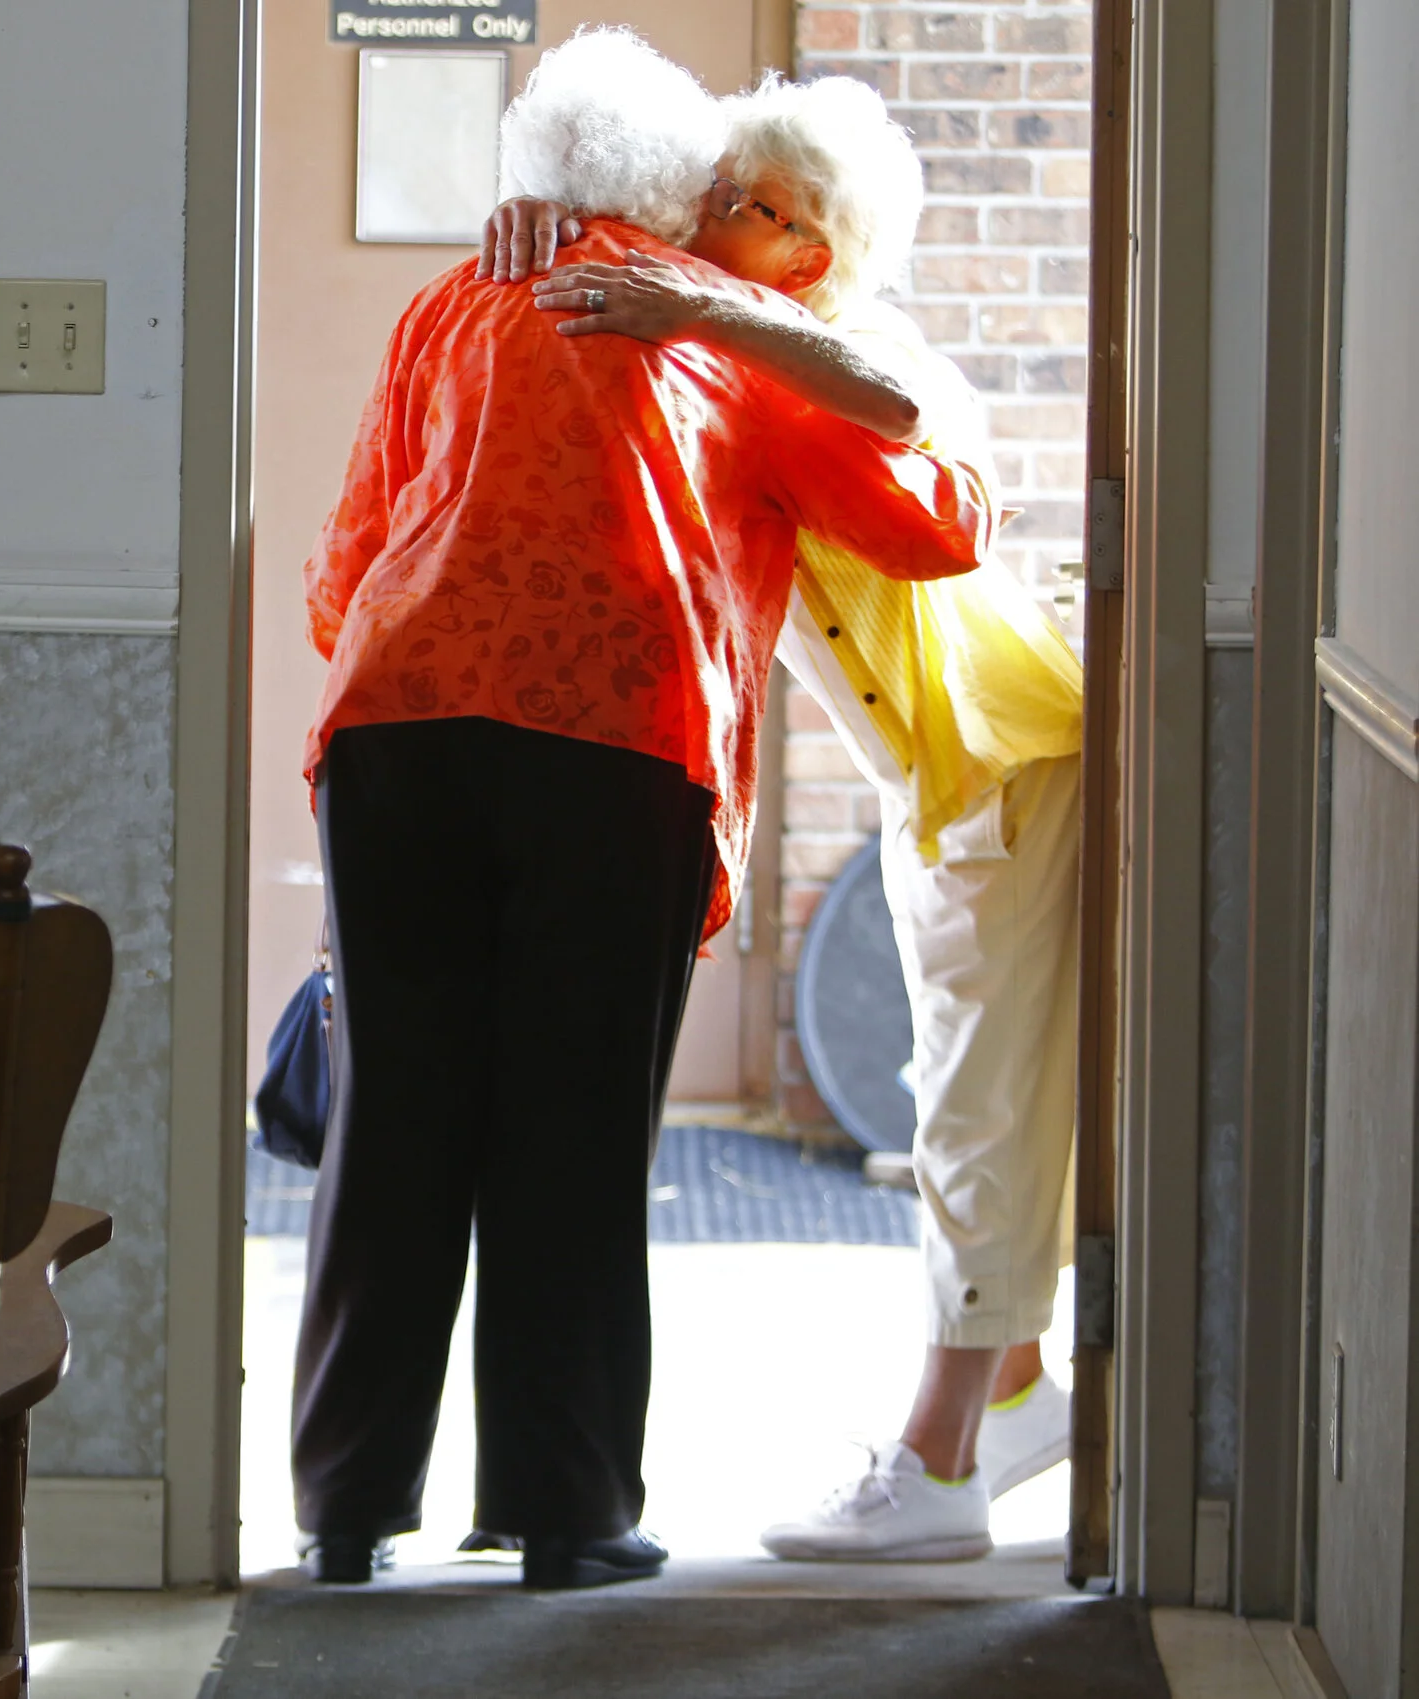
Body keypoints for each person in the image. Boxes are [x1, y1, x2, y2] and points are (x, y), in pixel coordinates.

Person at [290, 31, 996, 1590]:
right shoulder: (730, 339)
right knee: (576, 1130)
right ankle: (567, 1511)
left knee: (397, 1117)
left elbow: (345, 567)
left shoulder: (457, 297)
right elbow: (940, 522)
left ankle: (346, 1507)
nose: (723, 209)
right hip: (612, 745)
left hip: (398, 733)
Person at [479, 57, 1085, 1563]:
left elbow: (932, 462)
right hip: (953, 770)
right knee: (974, 1081)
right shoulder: (741, 344)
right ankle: (1003, 1387)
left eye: (739, 205)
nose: (702, 219)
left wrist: (705, 305)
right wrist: (535, 212)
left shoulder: (853, 347)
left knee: (979, 1105)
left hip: (1005, 757)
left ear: (805, 252)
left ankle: (944, 1465)